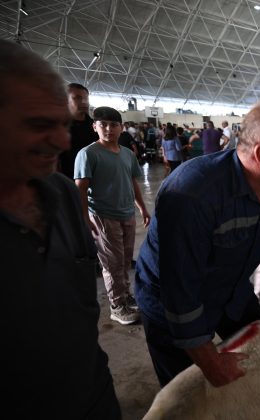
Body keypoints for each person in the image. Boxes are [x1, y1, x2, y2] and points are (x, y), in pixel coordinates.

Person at [134, 100, 260, 388]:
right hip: (169, 303)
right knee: (187, 391)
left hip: (231, 290)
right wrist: (210, 364)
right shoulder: (192, 194)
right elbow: (180, 294)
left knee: (257, 363)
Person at [0, 38, 120, 419]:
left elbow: (82, 302)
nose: (62, 141)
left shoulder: (63, 195)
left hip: (92, 391)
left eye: (64, 124)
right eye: (39, 125)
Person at [74, 107, 151, 325]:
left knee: (125, 260)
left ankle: (125, 297)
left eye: (114, 124)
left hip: (126, 213)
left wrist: (142, 208)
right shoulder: (88, 154)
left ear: (121, 127)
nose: (109, 129)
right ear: (95, 126)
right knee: (112, 263)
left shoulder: (127, 154)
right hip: (102, 216)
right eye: (103, 124)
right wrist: (84, 217)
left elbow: (133, 182)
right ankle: (117, 306)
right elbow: (80, 188)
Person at [59, 82, 97, 178]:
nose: (84, 102)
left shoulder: (96, 127)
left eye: (86, 98)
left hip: (95, 180)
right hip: (68, 181)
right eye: (78, 98)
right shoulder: (59, 127)